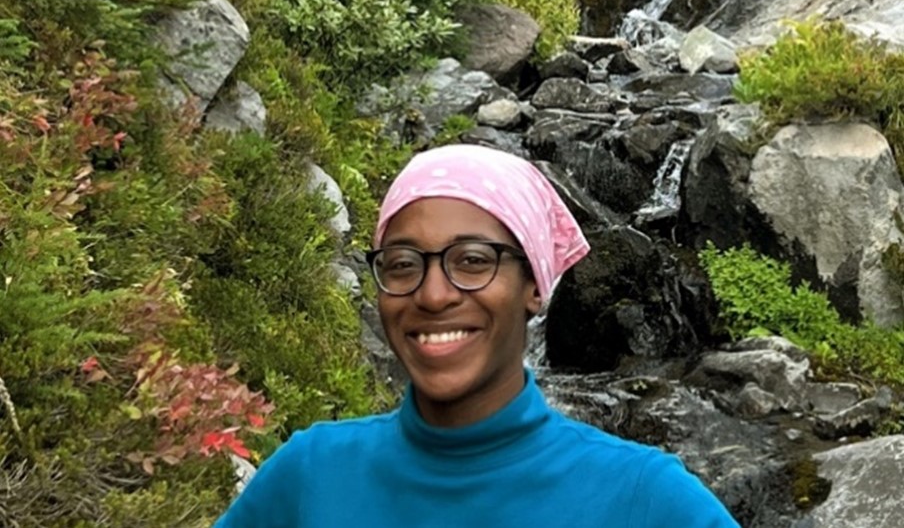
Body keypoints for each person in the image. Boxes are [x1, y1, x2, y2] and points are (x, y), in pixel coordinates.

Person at [214, 144, 740, 527]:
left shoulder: (643, 498)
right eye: (402, 264)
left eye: (472, 261)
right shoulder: (310, 474)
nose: (434, 295)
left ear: (535, 284)